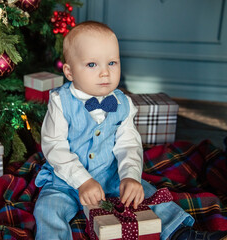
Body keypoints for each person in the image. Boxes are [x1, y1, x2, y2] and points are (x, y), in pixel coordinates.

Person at [33, 21, 227, 240]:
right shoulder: (60, 101)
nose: (105, 73)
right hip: (66, 182)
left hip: (110, 175)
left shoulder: (123, 102)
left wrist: (130, 176)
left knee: (145, 194)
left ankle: (181, 233)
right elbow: (54, 147)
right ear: (69, 72)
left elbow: (128, 144)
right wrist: (82, 181)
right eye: (92, 65)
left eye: (112, 63)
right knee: (47, 209)